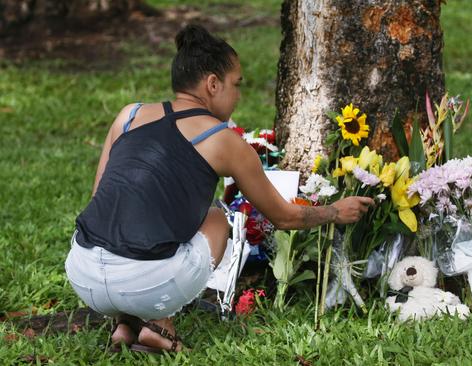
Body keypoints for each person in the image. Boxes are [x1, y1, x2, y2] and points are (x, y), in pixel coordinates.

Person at [65, 24, 374, 353]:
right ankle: (159, 325)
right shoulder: (223, 140)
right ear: (213, 84)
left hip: (83, 274)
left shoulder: (129, 115)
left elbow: (100, 198)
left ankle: (126, 324)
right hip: (145, 286)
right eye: (236, 84)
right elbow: (284, 218)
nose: (238, 95)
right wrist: (334, 211)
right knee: (215, 218)